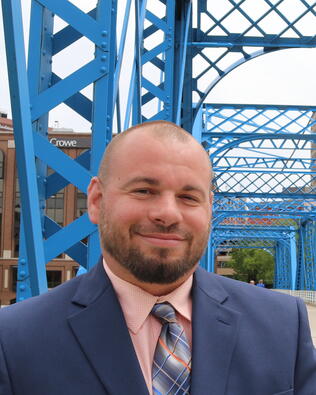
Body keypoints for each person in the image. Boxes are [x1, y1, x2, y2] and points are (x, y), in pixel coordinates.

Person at [0, 120, 315, 395]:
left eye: (188, 197)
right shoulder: (14, 340)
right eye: (143, 191)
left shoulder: (284, 326)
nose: (167, 213)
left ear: (210, 209)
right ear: (96, 201)